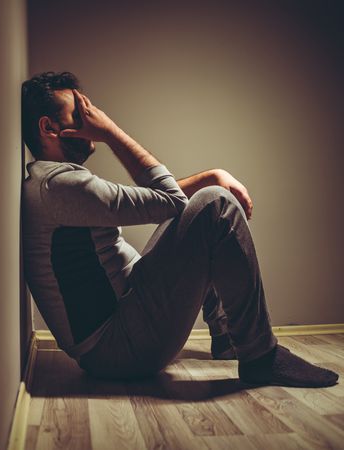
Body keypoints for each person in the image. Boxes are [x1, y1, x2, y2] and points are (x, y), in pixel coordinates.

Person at [21, 71, 339, 388]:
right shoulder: (60, 186)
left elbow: (155, 202)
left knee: (201, 210)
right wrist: (111, 132)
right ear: (49, 127)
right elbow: (169, 199)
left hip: (126, 319)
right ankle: (261, 356)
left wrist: (211, 175)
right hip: (116, 349)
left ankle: (227, 337)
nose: (93, 117)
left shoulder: (57, 182)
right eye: (79, 113)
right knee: (215, 205)